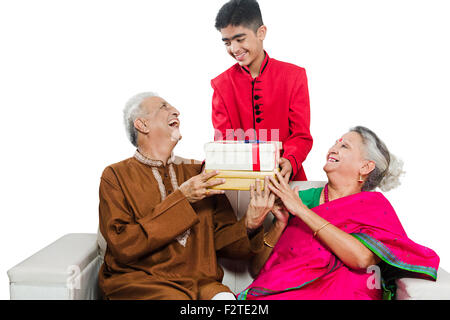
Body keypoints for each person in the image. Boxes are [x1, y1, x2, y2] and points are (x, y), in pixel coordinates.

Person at [98, 92, 274, 300]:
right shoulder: (115, 175)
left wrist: (250, 224)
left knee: (226, 300)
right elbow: (123, 245)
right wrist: (183, 197)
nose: (176, 112)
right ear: (142, 124)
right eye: (164, 107)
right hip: (142, 282)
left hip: (200, 281)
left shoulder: (198, 172)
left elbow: (223, 242)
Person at [238, 126, 440, 300]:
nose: (332, 149)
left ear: (366, 166)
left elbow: (362, 259)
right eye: (335, 143)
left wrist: (301, 211)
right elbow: (258, 271)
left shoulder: (374, 206)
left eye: (344, 146)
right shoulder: (301, 197)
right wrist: (279, 224)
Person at [211, 0, 313, 181]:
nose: (234, 49)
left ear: (261, 32)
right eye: (227, 42)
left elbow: (301, 135)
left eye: (240, 39)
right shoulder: (221, 85)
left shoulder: (294, 76)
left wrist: (290, 160)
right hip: (240, 180)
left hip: (287, 177)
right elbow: (224, 141)